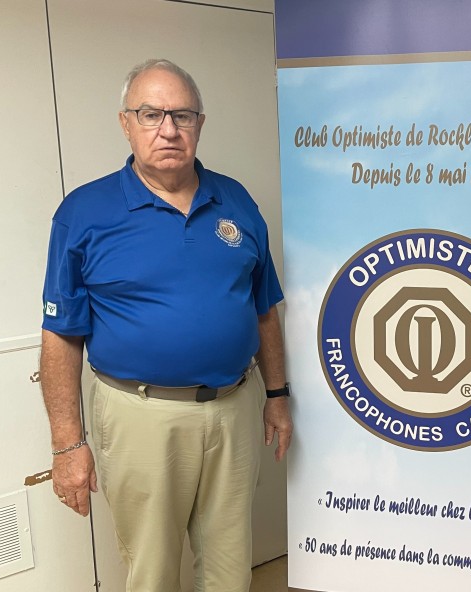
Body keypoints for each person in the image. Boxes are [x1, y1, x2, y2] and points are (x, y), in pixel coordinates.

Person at [39, 58, 293, 592]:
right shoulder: (84, 213)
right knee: (152, 571)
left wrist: (276, 394)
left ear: (200, 123)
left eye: (182, 115)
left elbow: (264, 307)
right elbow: (61, 335)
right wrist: (67, 445)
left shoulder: (236, 200)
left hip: (233, 407)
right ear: (125, 123)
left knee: (230, 567)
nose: (169, 129)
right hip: (141, 416)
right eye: (151, 114)